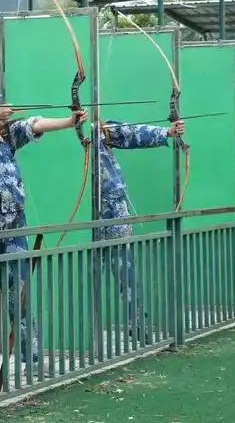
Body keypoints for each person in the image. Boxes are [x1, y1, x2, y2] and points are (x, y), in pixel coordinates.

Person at [0, 90, 87, 366]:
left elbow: (34, 124)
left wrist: (69, 121)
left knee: (21, 290)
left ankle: (32, 354)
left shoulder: (6, 136)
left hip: (14, 224)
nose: (4, 110)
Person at [94, 117, 185, 340]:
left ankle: (137, 325)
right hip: (96, 212)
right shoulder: (80, 131)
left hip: (114, 212)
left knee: (126, 273)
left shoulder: (100, 130)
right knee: (88, 275)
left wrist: (167, 131)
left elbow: (129, 131)